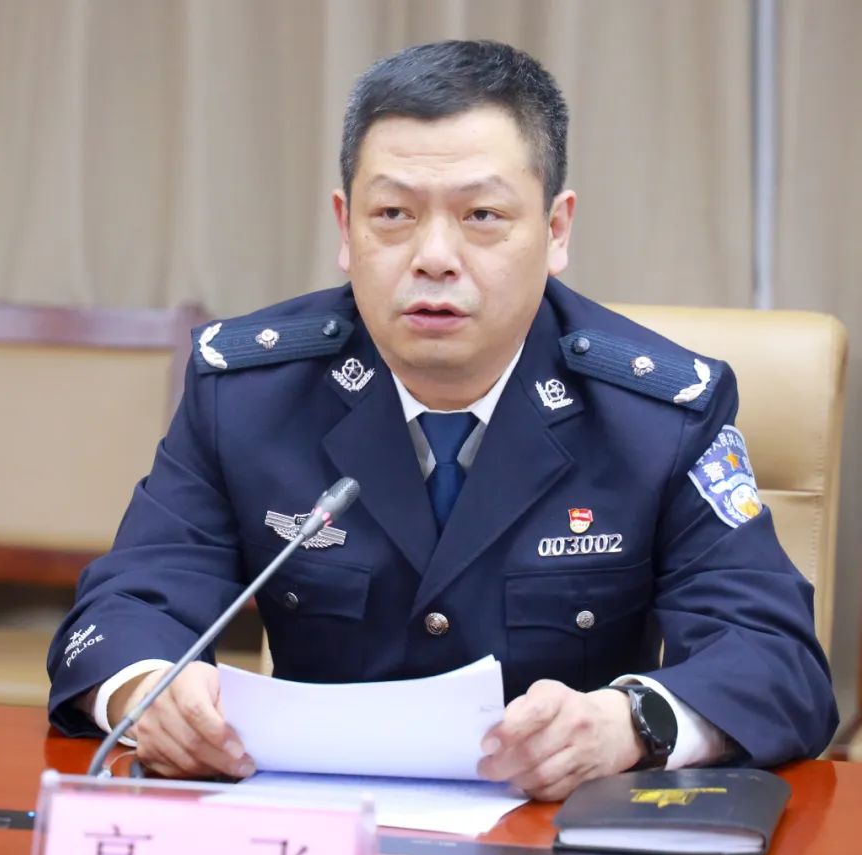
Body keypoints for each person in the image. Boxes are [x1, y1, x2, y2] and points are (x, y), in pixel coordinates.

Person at [47, 40, 837, 800]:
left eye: (482, 215)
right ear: (345, 228)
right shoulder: (249, 395)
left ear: (556, 229)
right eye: (393, 213)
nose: (434, 256)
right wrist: (148, 692)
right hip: (316, 835)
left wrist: (630, 722)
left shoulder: (657, 415)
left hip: (561, 854)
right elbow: (127, 607)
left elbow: (775, 658)